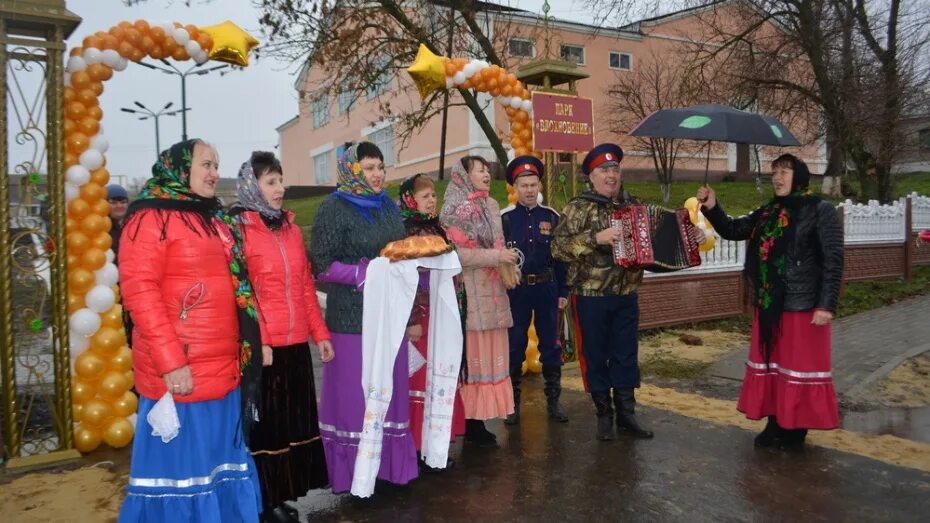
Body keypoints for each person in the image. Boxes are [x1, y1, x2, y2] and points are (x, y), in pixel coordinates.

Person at [118, 139, 262, 522]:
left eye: (217, 164)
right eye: (206, 164)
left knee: (217, 467)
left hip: (222, 367)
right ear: (180, 168)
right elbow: (140, 292)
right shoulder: (150, 217)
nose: (215, 172)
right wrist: (170, 362)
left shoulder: (213, 217)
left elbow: (239, 286)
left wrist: (253, 341)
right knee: (180, 474)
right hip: (180, 372)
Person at [552, 143, 703, 442]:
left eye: (614, 169)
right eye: (603, 170)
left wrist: (691, 237)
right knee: (595, 357)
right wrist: (596, 238)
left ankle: (627, 414)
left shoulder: (634, 206)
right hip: (591, 296)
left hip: (626, 295)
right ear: (591, 177)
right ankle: (603, 415)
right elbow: (557, 248)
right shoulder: (577, 207)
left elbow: (657, 248)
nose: (611, 175)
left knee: (625, 355)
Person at [697, 153, 842, 449]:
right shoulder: (769, 211)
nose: (777, 177)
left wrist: (826, 305)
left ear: (799, 176)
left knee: (797, 368)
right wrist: (712, 206)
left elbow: (834, 260)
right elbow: (734, 230)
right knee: (773, 366)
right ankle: (776, 422)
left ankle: (795, 428)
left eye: (785, 171)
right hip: (769, 304)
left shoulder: (820, 210)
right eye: (774, 172)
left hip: (803, 305)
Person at [310, 142, 417, 494]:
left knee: (391, 390)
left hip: (390, 314)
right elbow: (321, 265)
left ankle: (389, 468)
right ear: (352, 170)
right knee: (358, 395)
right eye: (369, 168)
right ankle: (357, 474)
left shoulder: (387, 205)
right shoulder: (333, 208)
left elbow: (397, 249)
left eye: (380, 167)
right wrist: (363, 273)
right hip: (352, 317)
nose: (377, 175)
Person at [231, 152, 332, 521]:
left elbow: (305, 286)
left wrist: (318, 332)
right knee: (267, 429)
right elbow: (243, 294)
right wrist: (261, 342)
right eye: (271, 182)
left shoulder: (288, 228)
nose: (281, 188)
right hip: (265, 348)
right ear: (252, 186)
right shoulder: (239, 230)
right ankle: (262, 502)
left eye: (280, 180)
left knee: (293, 423)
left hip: (295, 345)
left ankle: (282, 495)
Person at [440, 156, 515, 447]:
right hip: (469, 294)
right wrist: (497, 258)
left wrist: (509, 265)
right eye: (480, 170)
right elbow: (457, 255)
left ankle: (480, 420)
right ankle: (469, 421)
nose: (486, 174)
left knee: (490, 361)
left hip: (494, 292)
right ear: (464, 175)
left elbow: (499, 245)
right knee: (473, 360)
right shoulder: (454, 210)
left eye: (487, 169)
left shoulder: (492, 205)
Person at [397, 173, 466, 468]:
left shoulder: (438, 229)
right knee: (420, 379)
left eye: (433, 195)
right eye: (424, 196)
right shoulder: (405, 232)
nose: (431, 200)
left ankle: (436, 444)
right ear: (410, 199)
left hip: (442, 315)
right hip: (421, 320)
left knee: (441, 373)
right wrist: (412, 318)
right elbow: (403, 278)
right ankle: (416, 446)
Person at [500, 156, 570, 425]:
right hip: (517, 291)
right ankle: (512, 405)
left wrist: (563, 290)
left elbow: (561, 257)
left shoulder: (551, 217)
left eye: (533, 184)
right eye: (523, 185)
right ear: (515, 187)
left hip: (546, 290)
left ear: (539, 185)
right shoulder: (505, 219)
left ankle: (554, 402)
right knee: (515, 345)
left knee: (550, 345)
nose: (529, 190)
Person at [106, 183, 129, 256]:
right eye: (113, 203)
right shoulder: (102, 228)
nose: (119, 206)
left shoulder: (133, 225)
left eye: (123, 202)